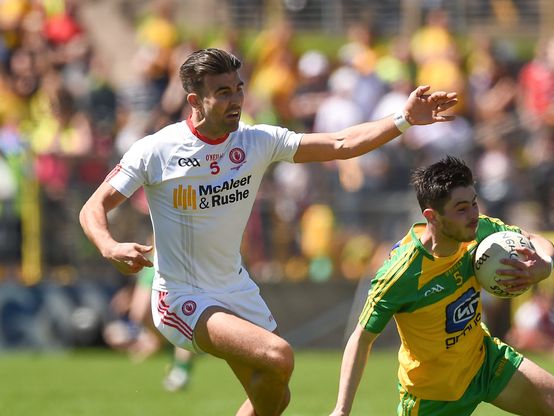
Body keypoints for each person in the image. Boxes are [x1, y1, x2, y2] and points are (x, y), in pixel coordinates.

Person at [79, 47, 458, 416]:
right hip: (181, 297)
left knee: (275, 398)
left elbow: (341, 144)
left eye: (239, 88)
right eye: (223, 92)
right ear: (195, 100)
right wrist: (108, 245)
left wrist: (403, 119)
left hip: (235, 288)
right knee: (279, 355)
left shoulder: (256, 141)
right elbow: (93, 207)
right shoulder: (156, 150)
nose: (236, 100)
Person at [330, 156, 554, 416]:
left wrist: (544, 265)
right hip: (433, 396)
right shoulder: (401, 273)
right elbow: (361, 338)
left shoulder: (478, 232)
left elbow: (534, 238)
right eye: (462, 208)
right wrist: (342, 410)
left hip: (486, 363)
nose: (474, 215)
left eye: (474, 203)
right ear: (432, 216)